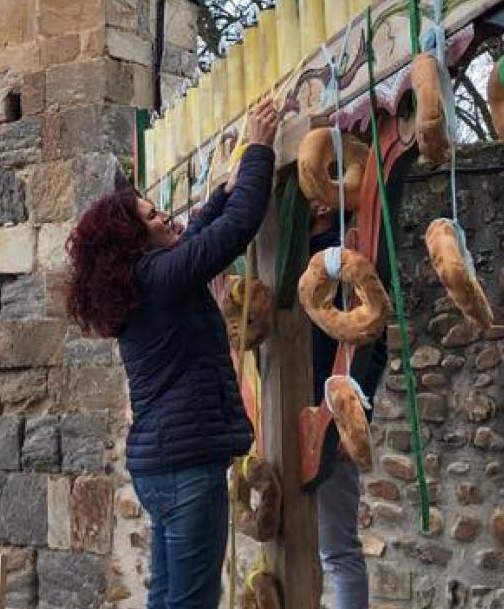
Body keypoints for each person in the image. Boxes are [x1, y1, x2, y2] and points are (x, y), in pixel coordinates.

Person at [65, 98, 279, 609]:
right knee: (190, 602)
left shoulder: (144, 281)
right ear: (133, 241)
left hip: (161, 467)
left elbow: (196, 236)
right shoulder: (159, 278)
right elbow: (236, 230)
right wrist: (259, 152)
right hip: (186, 469)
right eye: (153, 216)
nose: (167, 217)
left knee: (167, 598)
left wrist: (221, 191)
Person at [304, 198, 388, 609]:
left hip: (329, 420)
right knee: (309, 545)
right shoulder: (280, 259)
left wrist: (350, 416)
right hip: (287, 420)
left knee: (336, 550)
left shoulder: (351, 256)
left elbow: (375, 344)